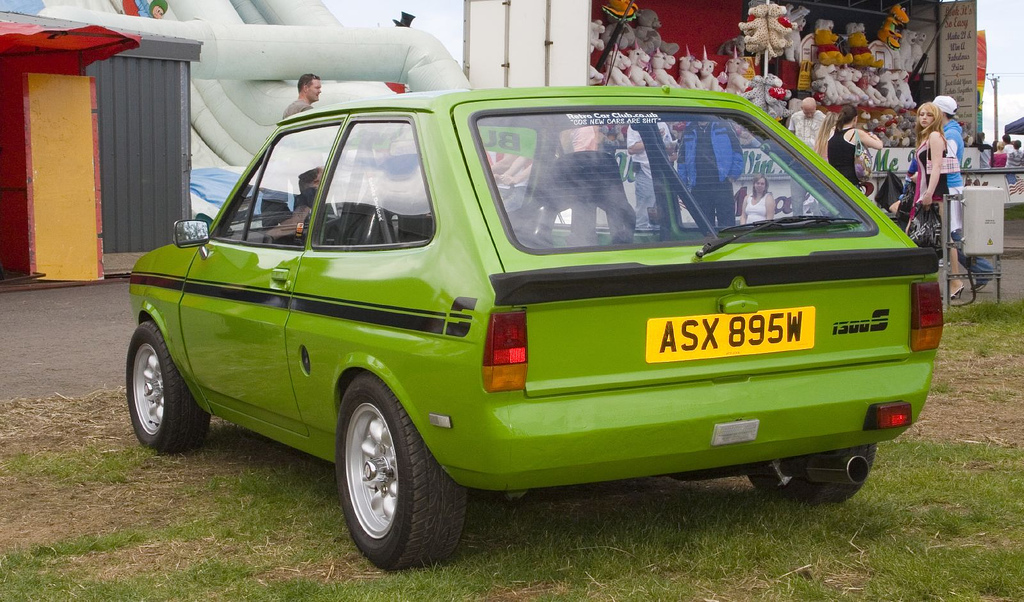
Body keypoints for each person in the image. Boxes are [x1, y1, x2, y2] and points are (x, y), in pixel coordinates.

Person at [932, 95, 993, 291]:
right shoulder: (950, 132)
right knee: (949, 234)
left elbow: (946, 163)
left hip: (948, 187)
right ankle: (981, 270)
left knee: (950, 235)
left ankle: (982, 270)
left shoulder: (949, 135)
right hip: (949, 185)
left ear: (941, 113)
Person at [914, 102, 965, 297]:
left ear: (936, 117)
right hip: (927, 191)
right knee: (935, 237)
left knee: (943, 237)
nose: (924, 117)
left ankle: (954, 281)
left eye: (928, 114)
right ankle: (945, 282)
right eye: (921, 114)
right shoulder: (927, 136)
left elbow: (937, 167)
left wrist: (928, 193)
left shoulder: (935, 136)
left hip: (935, 193)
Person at [677, 119, 744, 229]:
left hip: (722, 184)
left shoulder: (723, 125)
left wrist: (733, 174)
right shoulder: (688, 128)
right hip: (699, 187)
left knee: (727, 226)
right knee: (705, 227)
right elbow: (681, 159)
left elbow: (737, 150)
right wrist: (683, 186)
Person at [626, 121, 674, 230]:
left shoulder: (662, 124)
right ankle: (642, 232)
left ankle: (660, 231)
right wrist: (654, 137)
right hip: (644, 169)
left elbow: (669, 147)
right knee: (645, 204)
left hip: (662, 170)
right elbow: (631, 148)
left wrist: (671, 147)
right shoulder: (635, 125)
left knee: (662, 204)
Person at [827, 105, 883, 187]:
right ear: (855, 119)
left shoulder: (832, 131)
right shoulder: (855, 133)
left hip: (833, 178)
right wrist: (875, 137)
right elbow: (879, 146)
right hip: (850, 181)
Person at [267, 166, 322, 241]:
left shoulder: (314, 198)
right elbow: (297, 222)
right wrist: (267, 238)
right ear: (316, 182)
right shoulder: (309, 197)